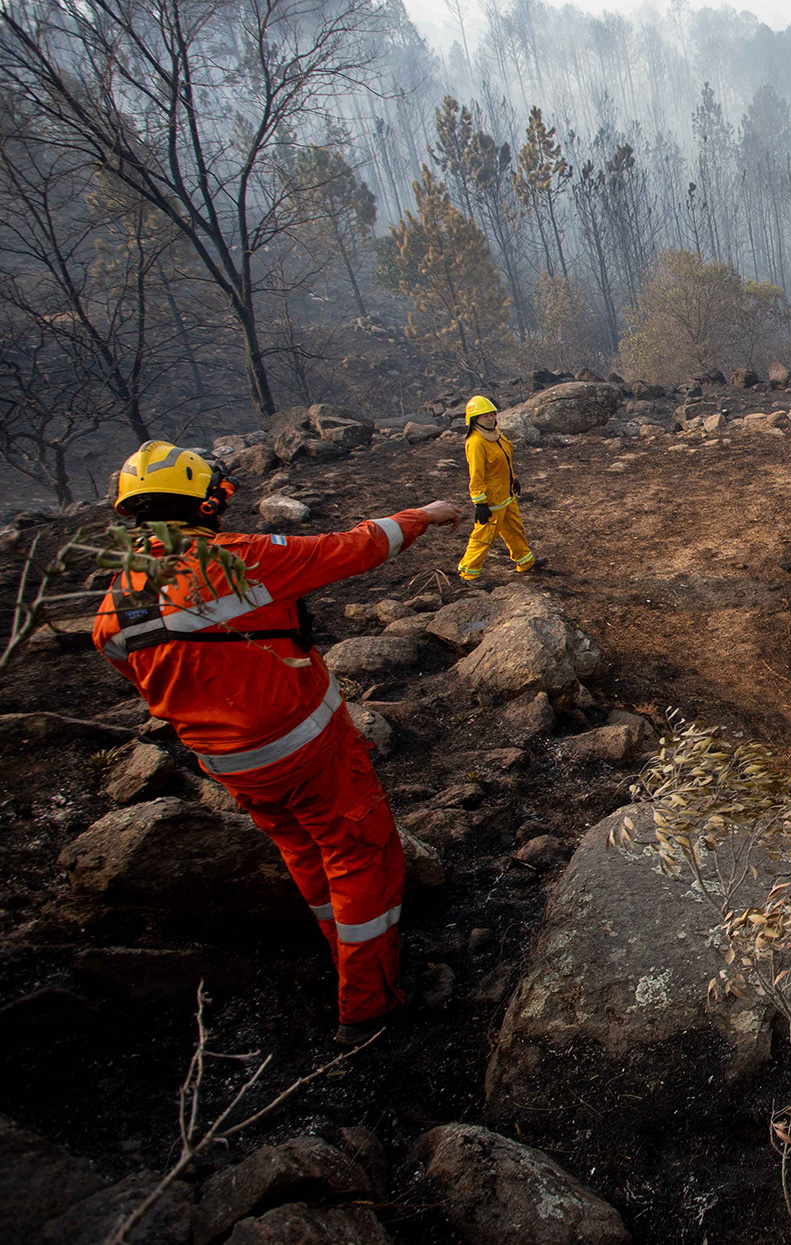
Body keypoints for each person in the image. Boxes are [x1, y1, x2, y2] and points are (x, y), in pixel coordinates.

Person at [92, 440, 463, 1043]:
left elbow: (133, 671)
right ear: (205, 503)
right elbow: (353, 547)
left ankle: (345, 954)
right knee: (362, 856)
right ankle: (371, 1003)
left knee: (305, 854)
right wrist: (423, 513)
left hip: (230, 768)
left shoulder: (117, 603)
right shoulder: (242, 560)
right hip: (306, 752)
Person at [457, 395, 535, 582]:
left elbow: (504, 461)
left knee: (514, 529)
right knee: (484, 536)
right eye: (485, 415)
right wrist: (480, 503)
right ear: (474, 418)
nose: (490, 417)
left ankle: (525, 562)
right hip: (492, 500)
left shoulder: (495, 434)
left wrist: (513, 480)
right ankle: (468, 572)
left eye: (492, 413)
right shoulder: (476, 442)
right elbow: (476, 474)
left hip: (505, 494)